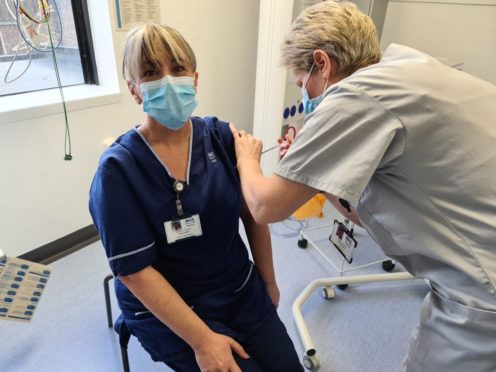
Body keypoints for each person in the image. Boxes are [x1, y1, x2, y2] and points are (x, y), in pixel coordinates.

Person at [229, 1, 496, 371]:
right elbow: (365, 216)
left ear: (322, 63)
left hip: (483, 289)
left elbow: (263, 207)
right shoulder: (406, 69)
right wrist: (316, 179)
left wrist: (247, 158)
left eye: (301, 83)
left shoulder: (356, 96)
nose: (303, 94)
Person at [89, 23, 303, 372]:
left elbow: (254, 213)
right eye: (151, 73)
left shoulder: (221, 137)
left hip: (237, 288)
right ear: (135, 90)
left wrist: (268, 281)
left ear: (195, 78)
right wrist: (202, 341)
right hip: (171, 311)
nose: (169, 81)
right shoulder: (118, 171)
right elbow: (134, 272)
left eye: (177, 69)